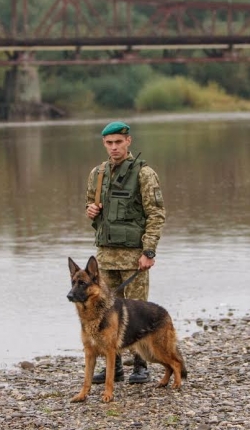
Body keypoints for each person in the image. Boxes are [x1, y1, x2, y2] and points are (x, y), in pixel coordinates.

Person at [84, 120, 166, 385]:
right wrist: (91, 211)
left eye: (118, 142)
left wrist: (149, 251)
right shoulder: (97, 174)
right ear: (103, 144)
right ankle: (114, 366)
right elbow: (91, 206)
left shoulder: (144, 173)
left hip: (134, 257)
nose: (114, 147)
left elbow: (156, 214)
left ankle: (140, 366)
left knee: (137, 312)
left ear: (128, 141)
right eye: (109, 143)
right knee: (106, 312)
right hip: (105, 258)